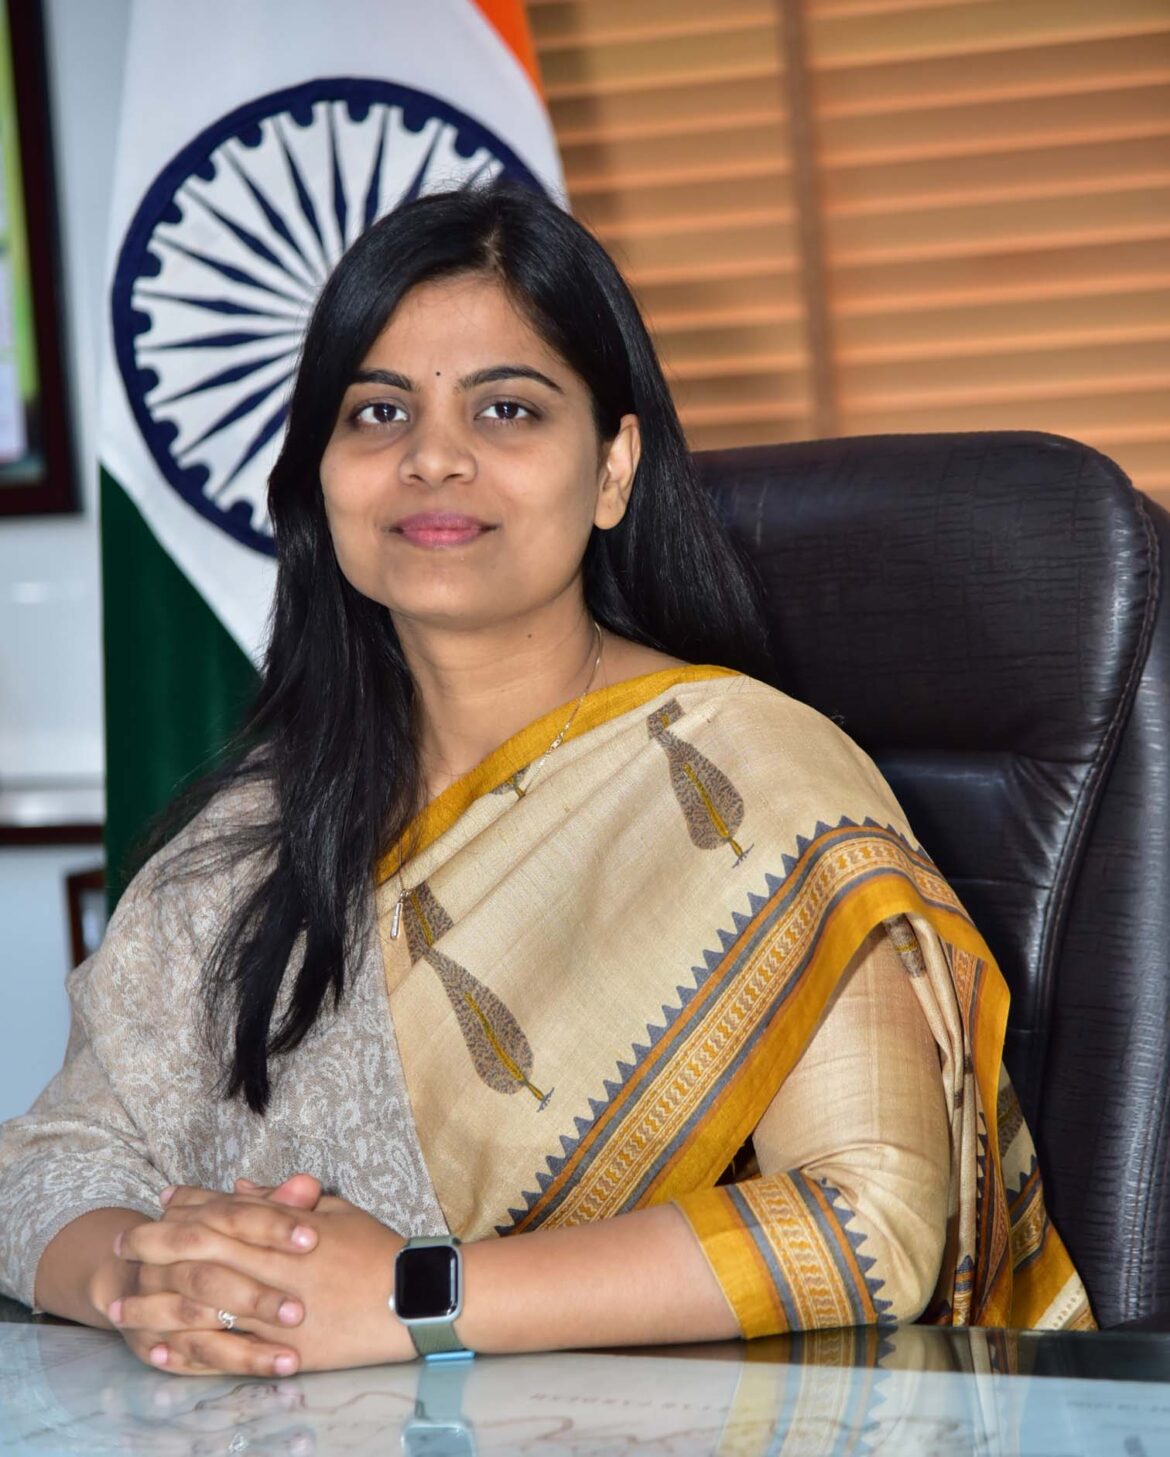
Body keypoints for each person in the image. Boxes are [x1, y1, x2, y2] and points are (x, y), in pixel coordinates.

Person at [0, 182, 1093, 1377]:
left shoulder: (750, 776)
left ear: (613, 467)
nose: (432, 457)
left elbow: (868, 1223)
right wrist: (147, 1279)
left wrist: (416, 1295)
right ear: (321, 472)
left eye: (506, 408)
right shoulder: (256, 828)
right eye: (378, 411)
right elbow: (50, 1160)